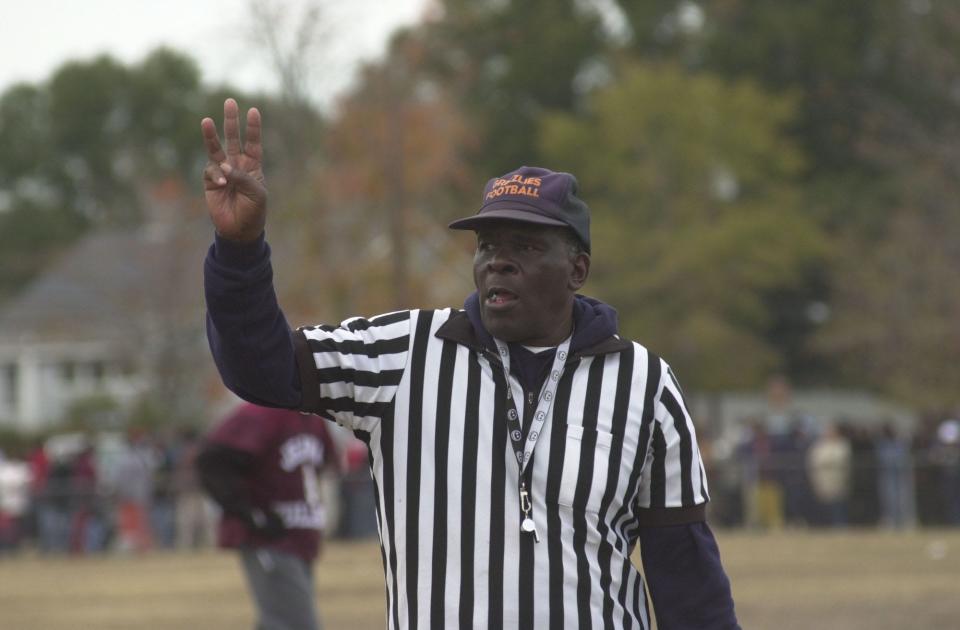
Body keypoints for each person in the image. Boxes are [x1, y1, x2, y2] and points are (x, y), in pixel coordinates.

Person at [200, 98, 740, 629]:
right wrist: (240, 249)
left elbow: (687, 575)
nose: (497, 261)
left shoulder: (643, 383)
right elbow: (260, 368)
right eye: (487, 245)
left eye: (525, 247)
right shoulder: (403, 354)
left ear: (577, 269)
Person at [196, 402, 338, 630]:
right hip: (270, 539)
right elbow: (212, 461)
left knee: (279, 622)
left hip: (301, 538)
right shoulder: (261, 414)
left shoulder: (314, 417)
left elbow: (325, 465)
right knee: (296, 624)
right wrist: (251, 514)